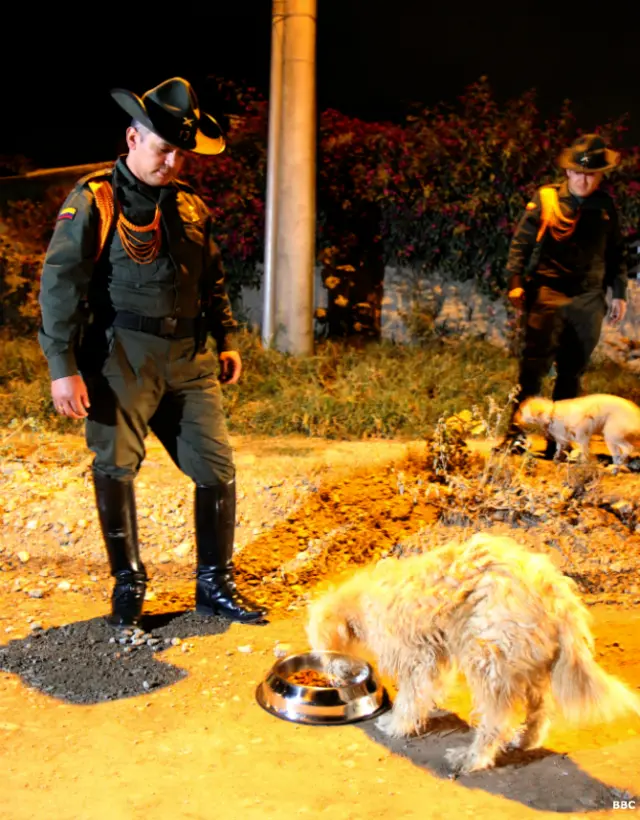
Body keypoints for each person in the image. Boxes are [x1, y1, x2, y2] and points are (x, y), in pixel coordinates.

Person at [37, 77, 266, 627]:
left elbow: (211, 279)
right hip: (122, 354)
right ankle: (129, 582)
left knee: (216, 467)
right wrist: (62, 367)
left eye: (181, 154)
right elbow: (60, 283)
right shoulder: (95, 199)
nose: (173, 163)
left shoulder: (190, 206)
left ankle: (214, 584)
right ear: (133, 138)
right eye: (164, 150)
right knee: (116, 465)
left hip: (189, 356)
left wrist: (227, 339)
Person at [499, 133, 628, 458]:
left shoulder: (605, 206)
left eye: (592, 174)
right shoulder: (547, 200)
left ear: (600, 176)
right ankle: (516, 436)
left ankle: (558, 444)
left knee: (572, 371)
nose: (584, 180)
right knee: (533, 367)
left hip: (588, 298)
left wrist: (619, 293)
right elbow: (521, 244)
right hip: (549, 292)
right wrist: (515, 281)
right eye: (579, 173)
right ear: (569, 171)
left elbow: (616, 252)